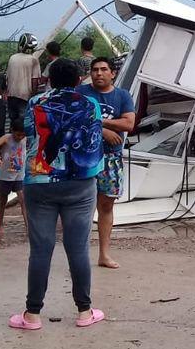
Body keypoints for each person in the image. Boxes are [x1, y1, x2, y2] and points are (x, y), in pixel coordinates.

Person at [10, 58, 105, 331]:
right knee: (78, 249)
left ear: (49, 79)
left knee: (41, 249)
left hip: (40, 182)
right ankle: (85, 312)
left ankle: (32, 314)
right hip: (80, 183)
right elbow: (94, 139)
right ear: (79, 80)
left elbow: (28, 131)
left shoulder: (35, 102)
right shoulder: (91, 103)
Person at [75, 57, 135, 269]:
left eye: (103, 69)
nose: (98, 73)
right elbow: (74, 119)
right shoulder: (81, 93)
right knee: (83, 206)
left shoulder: (122, 95)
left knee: (106, 205)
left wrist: (97, 121)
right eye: (95, 70)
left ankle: (104, 254)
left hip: (111, 159)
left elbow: (129, 123)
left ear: (113, 73)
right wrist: (104, 130)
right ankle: (80, 254)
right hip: (85, 158)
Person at [0, 119, 28, 229]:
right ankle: (0, 224)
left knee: (23, 201)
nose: (20, 138)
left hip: (19, 174)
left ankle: (28, 226)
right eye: (18, 135)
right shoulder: (6, 138)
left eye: (22, 135)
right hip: (6, 175)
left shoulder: (25, 139)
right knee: (3, 200)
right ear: (12, 131)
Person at [6, 33, 41, 123]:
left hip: (11, 95)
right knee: (23, 123)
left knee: (13, 121)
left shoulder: (12, 58)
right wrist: (33, 95)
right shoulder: (34, 60)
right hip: (25, 96)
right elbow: (35, 80)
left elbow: (8, 77)